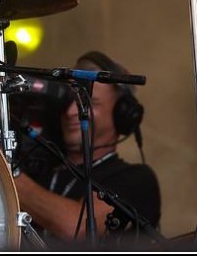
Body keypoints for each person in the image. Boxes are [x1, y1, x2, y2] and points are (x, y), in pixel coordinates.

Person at [13, 50, 161, 250]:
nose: (71, 111)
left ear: (122, 115)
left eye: (88, 103)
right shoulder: (39, 171)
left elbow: (78, 228)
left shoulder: (137, 179)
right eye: (69, 101)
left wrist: (7, 175)